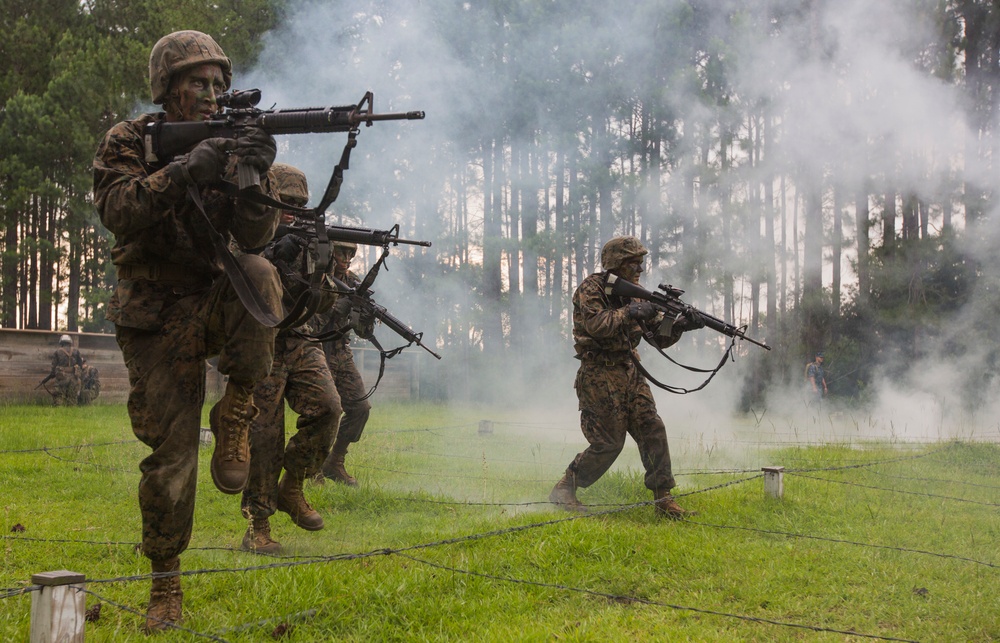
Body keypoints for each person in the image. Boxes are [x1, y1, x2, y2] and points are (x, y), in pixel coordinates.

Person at [92, 30, 282, 632]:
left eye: (218, 85)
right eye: (197, 83)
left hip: (214, 291)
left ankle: (238, 408)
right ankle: (165, 581)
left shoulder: (234, 141)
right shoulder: (130, 139)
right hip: (152, 310)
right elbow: (119, 210)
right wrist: (181, 171)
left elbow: (256, 238)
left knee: (262, 275)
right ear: (168, 88)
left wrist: (254, 176)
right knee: (170, 456)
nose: (210, 94)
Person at [548, 236, 702, 519]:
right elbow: (596, 325)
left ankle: (663, 498)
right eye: (634, 263)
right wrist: (628, 311)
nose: (640, 269)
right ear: (617, 262)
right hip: (599, 374)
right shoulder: (591, 288)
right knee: (609, 443)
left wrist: (681, 326)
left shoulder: (636, 293)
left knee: (652, 427)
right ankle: (565, 487)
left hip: (629, 371)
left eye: (641, 263)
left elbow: (658, 338)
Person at [240, 163, 343, 554]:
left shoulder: (306, 239)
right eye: (284, 203)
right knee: (264, 434)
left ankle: (294, 483)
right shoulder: (244, 233)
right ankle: (258, 527)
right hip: (260, 341)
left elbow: (326, 301)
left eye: (300, 205)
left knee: (329, 408)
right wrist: (268, 255)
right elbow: (228, 280)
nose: (292, 212)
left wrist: (320, 267)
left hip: (300, 337)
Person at [315, 240, 373, 487]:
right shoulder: (315, 278)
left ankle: (335, 461)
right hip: (316, 350)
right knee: (322, 411)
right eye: (341, 252)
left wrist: (365, 313)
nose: (346, 257)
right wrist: (336, 309)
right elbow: (312, 321)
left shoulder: (353, 281)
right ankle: (313, 467)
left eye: (351, 252)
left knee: (360, 407)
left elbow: (362, 332)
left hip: (341, 350)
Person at [48, 335, 83, 406]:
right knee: (72, 396)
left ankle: (59, 411)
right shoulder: (76, 351)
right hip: (74, 377)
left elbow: (53, 366)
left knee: (59, 395)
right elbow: (80, 364)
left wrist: (52, 374)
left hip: (62, 377)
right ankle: (71, 412)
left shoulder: (57, 352)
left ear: (61, 342)